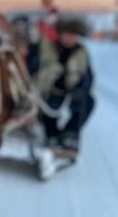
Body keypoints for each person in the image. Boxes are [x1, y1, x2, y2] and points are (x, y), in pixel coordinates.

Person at [31, 17, 95, 156]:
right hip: (48, 90)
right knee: (50, 105)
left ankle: (69, 134)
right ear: (60, 34)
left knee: (88, 102)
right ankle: (51, 135)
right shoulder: (46, 48)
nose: (70, 38)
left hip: (71, 91)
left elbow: (88, 76)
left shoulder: (81, 53)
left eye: (74, 35)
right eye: (67, 34)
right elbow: (32, 67)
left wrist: (82, 88)